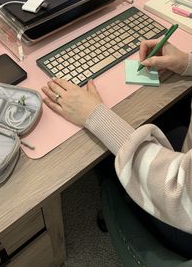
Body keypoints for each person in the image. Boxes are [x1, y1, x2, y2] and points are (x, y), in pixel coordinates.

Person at [42, 39, 192, 257]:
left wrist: (95, 116)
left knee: (98, 151)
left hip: (183, 220)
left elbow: (178, 193)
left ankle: (117, 201)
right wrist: (186, 63)